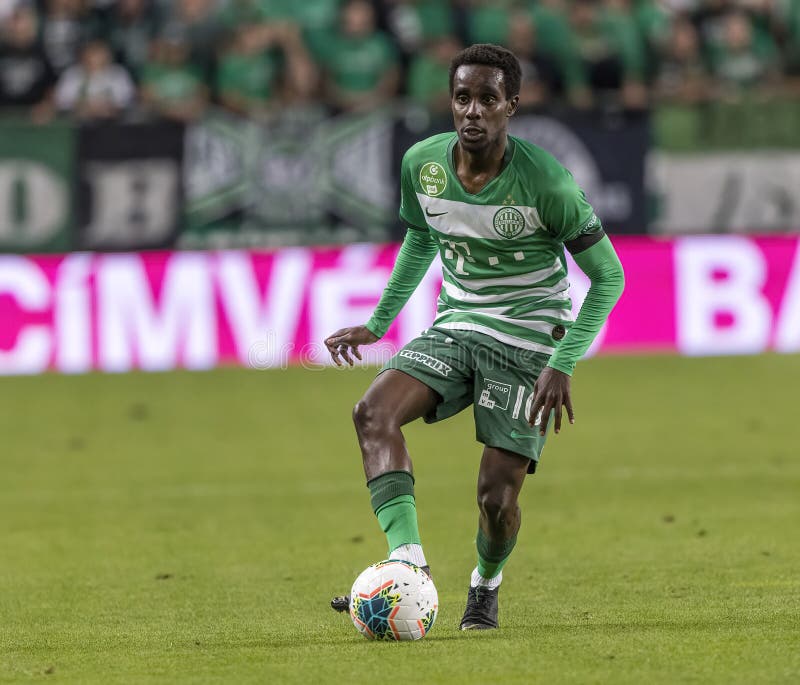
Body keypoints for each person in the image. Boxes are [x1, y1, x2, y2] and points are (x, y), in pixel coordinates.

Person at [325, 43, 624, 630]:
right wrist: (379, 322)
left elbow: (609, 278)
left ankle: (485, 583)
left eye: (488, 99)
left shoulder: (548, 183)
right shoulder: (423, 165)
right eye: (463, 98)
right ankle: (407, 564)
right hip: (457, 324)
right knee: (371, 412)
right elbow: (421, 238)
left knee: (495, 498)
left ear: (511, 106)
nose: (473, 112)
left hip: (529, 340)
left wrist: (562, 361)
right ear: (451, 102)